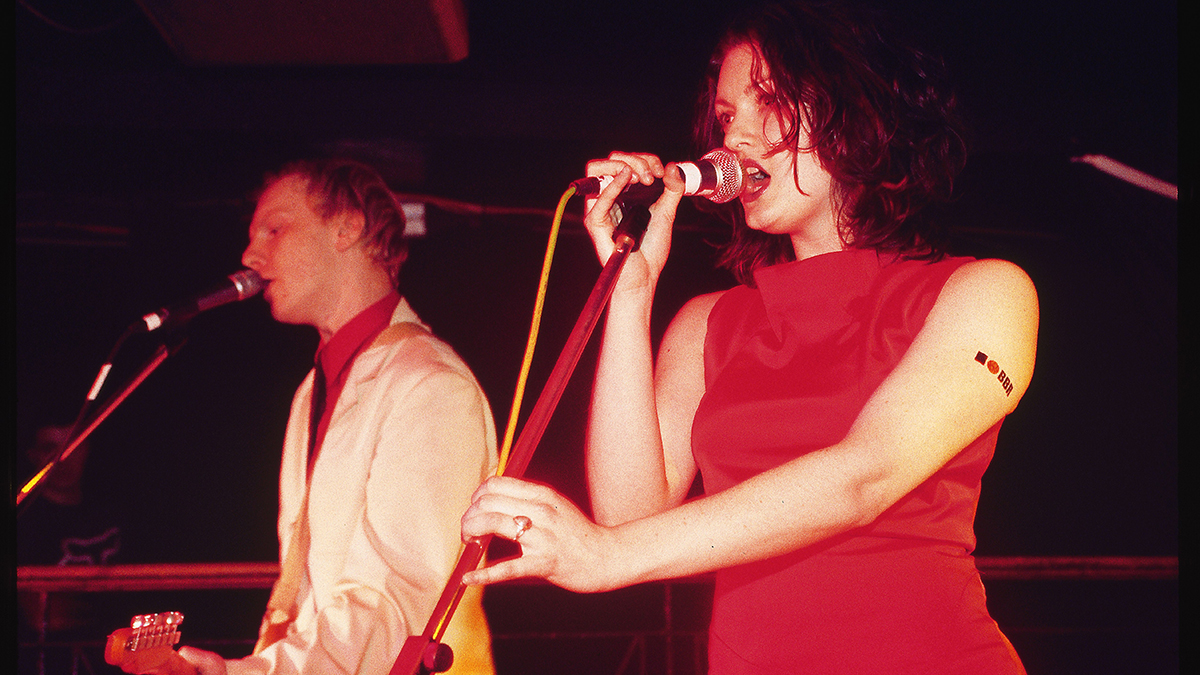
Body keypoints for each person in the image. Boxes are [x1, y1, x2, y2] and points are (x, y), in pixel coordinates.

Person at [459, 2, 1037, 673]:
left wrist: (608, 558)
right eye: (728, 116)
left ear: (856, 111)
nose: (736, 137)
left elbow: (864, 476)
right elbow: (629, 515)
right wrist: (631, 290)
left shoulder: (985, 292)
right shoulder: (709, 324)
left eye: (769, 100)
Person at [176, 158, 498, 675]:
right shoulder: (314, 388)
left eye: (275, 229)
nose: (250, 254)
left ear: (347, 227)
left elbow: (398, 604)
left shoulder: (431, 385)